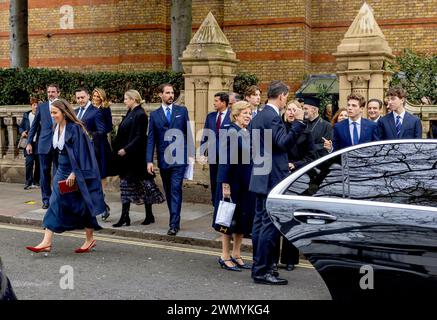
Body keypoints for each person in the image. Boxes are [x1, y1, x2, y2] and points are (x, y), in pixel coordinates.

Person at [25, 99, 106, 254]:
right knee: (54, 202)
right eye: (51, 113)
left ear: (64, 112)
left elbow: (82, 153)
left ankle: (89, 239)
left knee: (83, 205)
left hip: (75, 172)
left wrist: (75, 173)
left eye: (55, 113)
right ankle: (46, 241)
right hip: (60, 172)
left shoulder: (75, 128)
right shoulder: (56, 127)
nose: (53, 115)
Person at [249, 80, 306, 285]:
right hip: (272, 178)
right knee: (268, 226)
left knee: (259, 225)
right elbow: (283, 143)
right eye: (286, 97)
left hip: (260, 176)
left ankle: (261, 266)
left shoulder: (258, 117)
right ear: (281, 96)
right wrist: (298, 123)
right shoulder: (272, 117)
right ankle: (263, 271)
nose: (286, 102)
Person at [112, 90, 165, 228]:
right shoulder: (130, 112)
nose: (124, 101)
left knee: (145, 185)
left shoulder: (140, 114)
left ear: (133, 99)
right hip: (127, 158)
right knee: (125, 186)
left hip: (137, 157)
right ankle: (125, 216)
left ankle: (149, 215)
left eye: (126, 99)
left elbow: (139, 136)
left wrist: (126, 149)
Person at [147, 83, 194, 236]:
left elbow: (188, 133)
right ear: (160, 95)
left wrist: (191, 153)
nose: (171, 96)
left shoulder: (182, 110)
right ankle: (174, 216)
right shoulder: (154, 115)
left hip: (180, 159)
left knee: (175, 189)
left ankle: (174, 223)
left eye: (172, 93)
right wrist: (149, 161)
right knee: (168, 190)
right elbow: (151, 139)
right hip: (164, 159)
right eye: (167, 93)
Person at [213, 101, 254, 271]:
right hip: (231, 183)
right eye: (245, 113)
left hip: (245, 182)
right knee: (227, 219)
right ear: (236, 115)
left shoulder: (246, 132)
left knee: (242, 219)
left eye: (250, 113)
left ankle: (236, 254)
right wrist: (225, 184)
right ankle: (224, 256)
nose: (248, 116)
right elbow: (224, 161)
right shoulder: (229, 131)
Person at [26, 84, 60, 209]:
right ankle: (46, 199)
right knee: (44, 173)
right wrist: (29, 142)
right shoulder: (42, 106)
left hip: (59, 145)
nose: (50, 94)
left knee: (58, 173)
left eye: (53, 92)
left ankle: (57, 199)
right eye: (49, 92)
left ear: (58, 93)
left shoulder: (62, 105)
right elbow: (34, 126)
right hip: (44, 144)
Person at [200, 92, 232, 206]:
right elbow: (205, 135)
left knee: (225, 179)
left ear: (224, 102)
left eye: (216, 101)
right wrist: (202, 153)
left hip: (227, 156)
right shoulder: (211, 116)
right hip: (213, 155)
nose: (214, 103)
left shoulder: (232, 116)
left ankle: (225, 202)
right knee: (214, 179)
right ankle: (215, 202)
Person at [91, 88, 114, 221]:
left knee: (102, 174)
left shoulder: (105, 109)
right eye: (94, 95)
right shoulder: (89, 109)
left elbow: (109, 127)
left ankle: (102, 203)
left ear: (102, 97)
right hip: (90, 145)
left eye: (98, 95)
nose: (96, 97)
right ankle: (102, 205)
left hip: (101, 144)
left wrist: (96, 131)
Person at [19, 97, 40, 190]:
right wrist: (22, 132)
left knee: (39, 163)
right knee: (29, 162)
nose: (36, 106)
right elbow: (21, 127)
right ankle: (28, 182)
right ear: (31, 106)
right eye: (34, 105)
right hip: (28, 143)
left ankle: (36, 181)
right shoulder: (26, 115)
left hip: (38, 143)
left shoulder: (41, 116)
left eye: (37, 105)